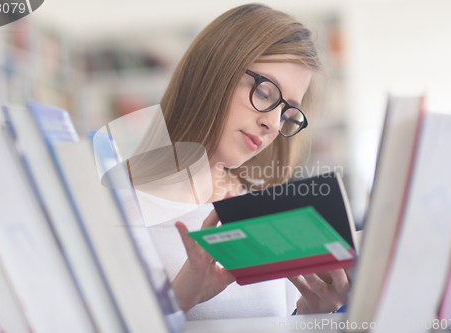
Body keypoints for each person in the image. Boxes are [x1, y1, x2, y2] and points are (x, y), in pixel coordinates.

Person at [130, 3, 350, 320]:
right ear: (213, 73)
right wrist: (176, 302)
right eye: (264, 92)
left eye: (288, 113)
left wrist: (308, 315)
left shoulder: (267, 210)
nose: (274, 124)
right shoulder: (118, 207)